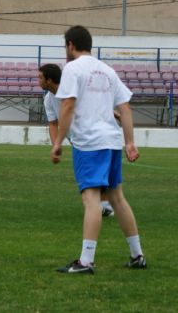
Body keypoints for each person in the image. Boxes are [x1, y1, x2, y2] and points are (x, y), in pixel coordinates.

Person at [51, 25, 146, 274]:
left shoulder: (72, 69)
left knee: (90, 199)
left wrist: (58, 141)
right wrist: (130, 141)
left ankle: (85, 261)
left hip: (90, 143)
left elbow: (68, 105)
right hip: (112, 141)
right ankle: (137, 255)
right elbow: (125, 108)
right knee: (117, 198)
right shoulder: (107, 70)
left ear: (70, 45)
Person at [38, 63, 114, 217]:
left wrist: (112, 112)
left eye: (40, 77)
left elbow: (93, 103)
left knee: (90, 174)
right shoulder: (48, 99)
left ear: (49, 80)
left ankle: (104, 206)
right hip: (76, 140)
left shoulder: (72, 91)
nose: (38, 80)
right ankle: (104, 205)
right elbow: (53, 124)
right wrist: (56, 145)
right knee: (89, 173)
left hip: (92, 136)